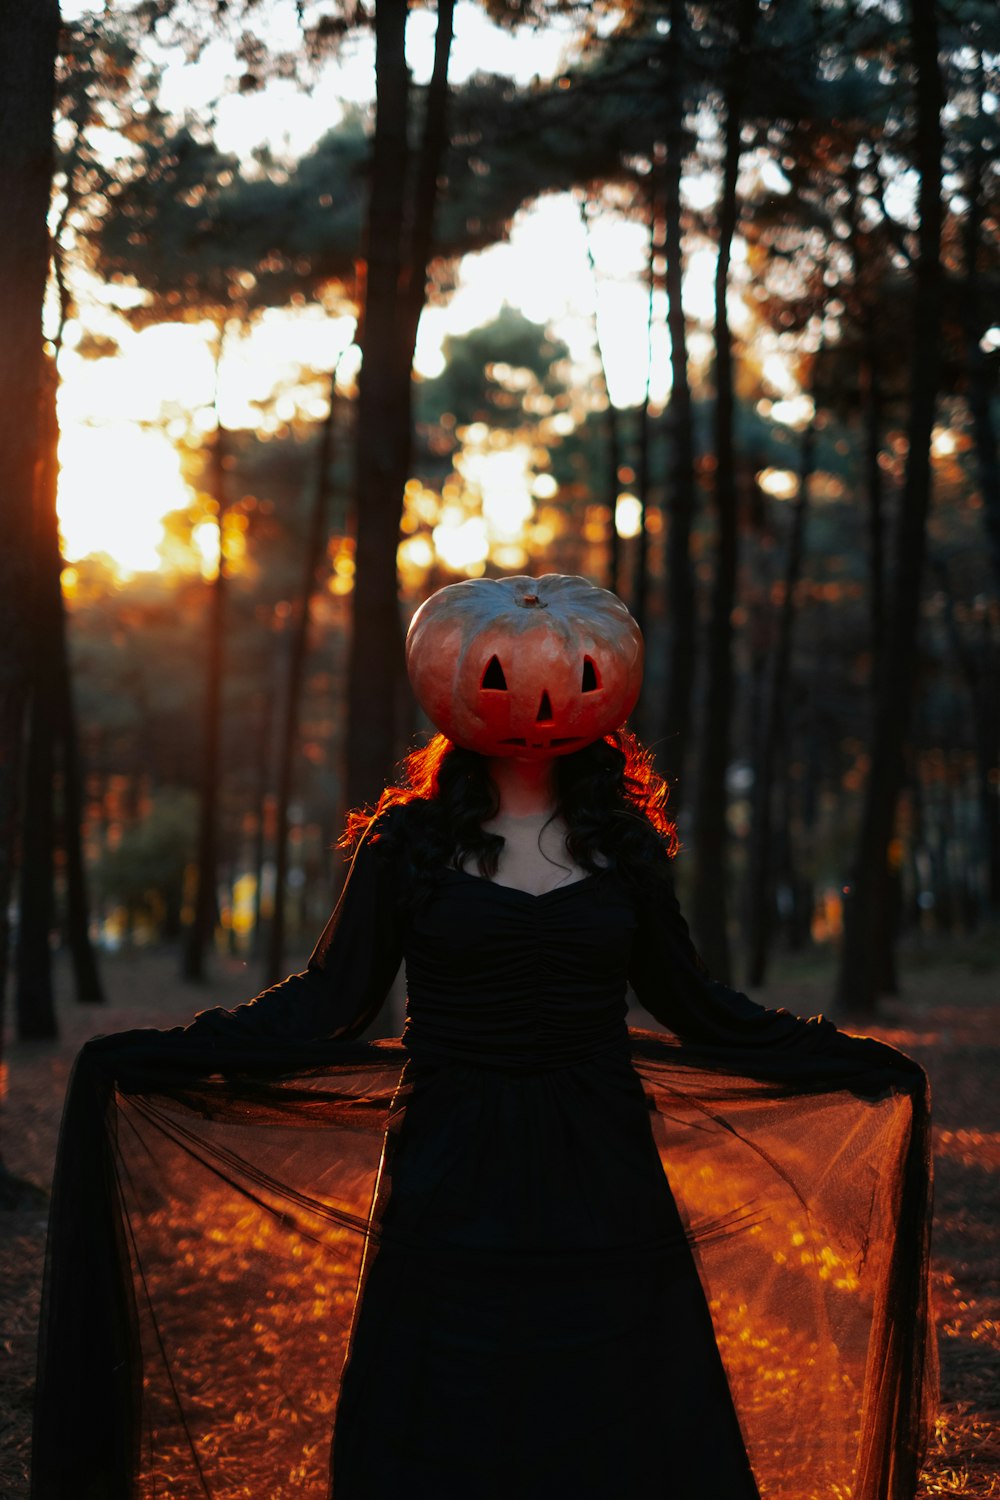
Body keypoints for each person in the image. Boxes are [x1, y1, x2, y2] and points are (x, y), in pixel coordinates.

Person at [33, 574, 936, 1500]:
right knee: (446, 1399)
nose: (538, 698)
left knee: (616, 1399)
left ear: (603, 685)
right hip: (447, 1160)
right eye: (502, 673)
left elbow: (697, 1007)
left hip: (601, 1163)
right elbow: (327, 1003)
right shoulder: (409, 843)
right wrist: (164, 1050)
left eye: (570, 675)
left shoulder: (623, 848)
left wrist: (843, 1054)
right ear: (452, 686)